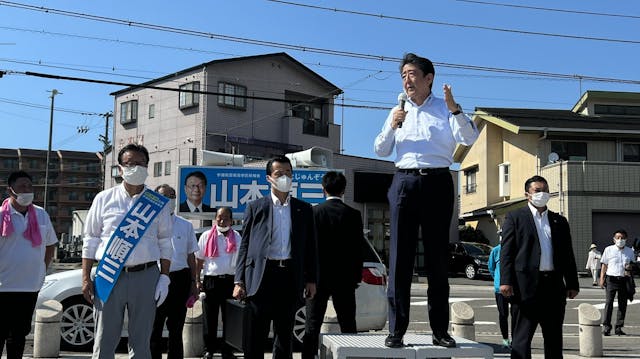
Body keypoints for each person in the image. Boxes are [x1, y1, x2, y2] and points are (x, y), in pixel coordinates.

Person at [373, 52, 478, 348]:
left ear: (429, 78)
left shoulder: (445, 109)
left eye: (412, 74)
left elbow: (469, 138)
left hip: (438, 181)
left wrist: (455, 109)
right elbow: (381, 149)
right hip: (404, 180)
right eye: (403, 75)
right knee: (400, 259)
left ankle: (440, 330)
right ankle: (396, 330)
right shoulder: (397, 110)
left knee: (436, 259)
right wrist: (393, 124)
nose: (407, 80)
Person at [82, 144, 173, 359]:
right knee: (104, 340)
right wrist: (85, 277)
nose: (136, 168)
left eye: (141, 164)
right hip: (109, 274)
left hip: (146, 275)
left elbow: (165, 242)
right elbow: (91, 239)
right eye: (130, 164)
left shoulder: (157, 203)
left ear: (147, 167)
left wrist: (164, 277)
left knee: (141, 343)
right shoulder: (104, 199)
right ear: (120, 168)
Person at [233, 155, 318, 359]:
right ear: (269, 178)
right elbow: (244, 245)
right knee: (255, 336)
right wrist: (239, 280)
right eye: (279, 173)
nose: (285, 177)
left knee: (284, 337)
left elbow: (311, 247)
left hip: (289, 276)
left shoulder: (303, 209)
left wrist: (311, 279)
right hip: (261, 277)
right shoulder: (256, 207)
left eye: (288, 173)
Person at [500, 175, 579, 359]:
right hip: (524, 287)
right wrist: (506, 281)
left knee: (553, 338)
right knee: (522, 339)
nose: (542, 193)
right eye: (537, 190)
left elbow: (567, 254)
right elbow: (507, 253)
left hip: (553, 286)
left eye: (545, 190)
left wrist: (572, 283)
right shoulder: (515, 217)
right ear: (527, 194)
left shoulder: (559, 221)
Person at [302, 171, 363, 359]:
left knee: (312, 324)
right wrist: (355, 277)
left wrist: (307, 277)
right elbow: (357, 249)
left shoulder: (313, 212)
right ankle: (351, 356)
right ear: (344, 190)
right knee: (348, 324)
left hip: (318, 279)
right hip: (345, 279)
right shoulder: (353, 214)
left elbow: (308, 248)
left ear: (323, 189)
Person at [0, 170, 58, 359]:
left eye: (29, 186)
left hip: (29, 286)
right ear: (10, 191)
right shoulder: (1, 215)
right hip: (3, 286)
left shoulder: (41, 215)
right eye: (22, 187)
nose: (27, 190)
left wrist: (42, 268)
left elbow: (50, 244)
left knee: (18, 335)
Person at [150, 184, 199, 359]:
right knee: (154, 326)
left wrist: (194, 283)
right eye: (164, 196)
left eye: (172, 196)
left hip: (180, 279)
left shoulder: (185, 225)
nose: (169, 200)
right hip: (155, 278)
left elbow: (191, 256)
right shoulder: (148, 224)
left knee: (176, 327)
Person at [195, 206, 240, 359]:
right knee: (210, 318)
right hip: (211, 281)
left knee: (230, 319)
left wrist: (240, 283)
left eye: (226, 217)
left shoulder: (237, 237)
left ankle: (228, 350)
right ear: (215, 219)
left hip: (230, 281)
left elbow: (241, 261)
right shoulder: (206, 235)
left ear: (231, 220)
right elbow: (199, 260)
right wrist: (197, 280)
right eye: (219, 217)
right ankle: (209, 350)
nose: (222, 220)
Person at [599, 229, 635, 336]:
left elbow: (632, 265)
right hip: (611, 279)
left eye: (622, 238)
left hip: (624, 279)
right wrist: (601, 278)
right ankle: (606, 327)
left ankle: (619, 327)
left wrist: (630, 267)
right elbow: (604, 265)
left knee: (622, 304)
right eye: (618, 238)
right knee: (609, 303)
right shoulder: (608, 249)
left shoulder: (630, 251)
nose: (620, 240)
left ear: (626, 239)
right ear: (614, 239)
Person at [488, 239, 510, 349]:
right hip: (500, 289)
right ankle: (505, 339)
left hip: (515, 288)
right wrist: (497, 279)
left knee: (517, 315)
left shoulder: (514, 248)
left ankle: (517, 339)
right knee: (503, 314)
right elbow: (491, 268)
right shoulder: (496, 251)